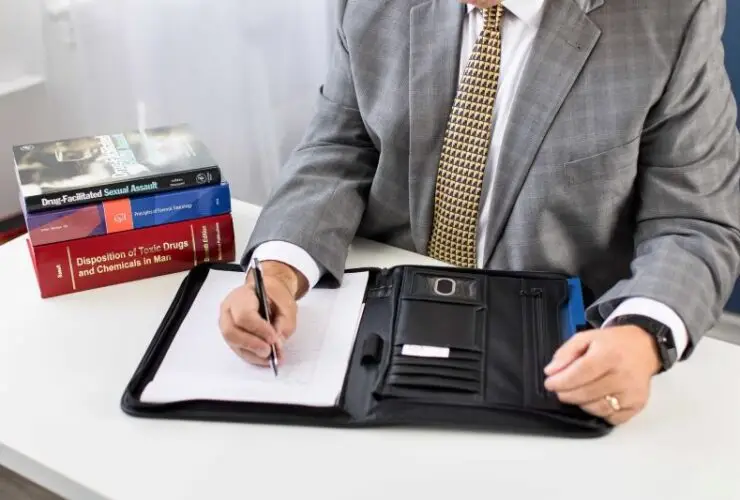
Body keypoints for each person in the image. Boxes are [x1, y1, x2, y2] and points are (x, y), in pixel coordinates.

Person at [219, 0, 740, 425]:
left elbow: (694, 223)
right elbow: (339, 145)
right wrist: (280, 268)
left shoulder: (670, 18)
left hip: (555, 346)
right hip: (377, 325)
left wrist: (643, 334)